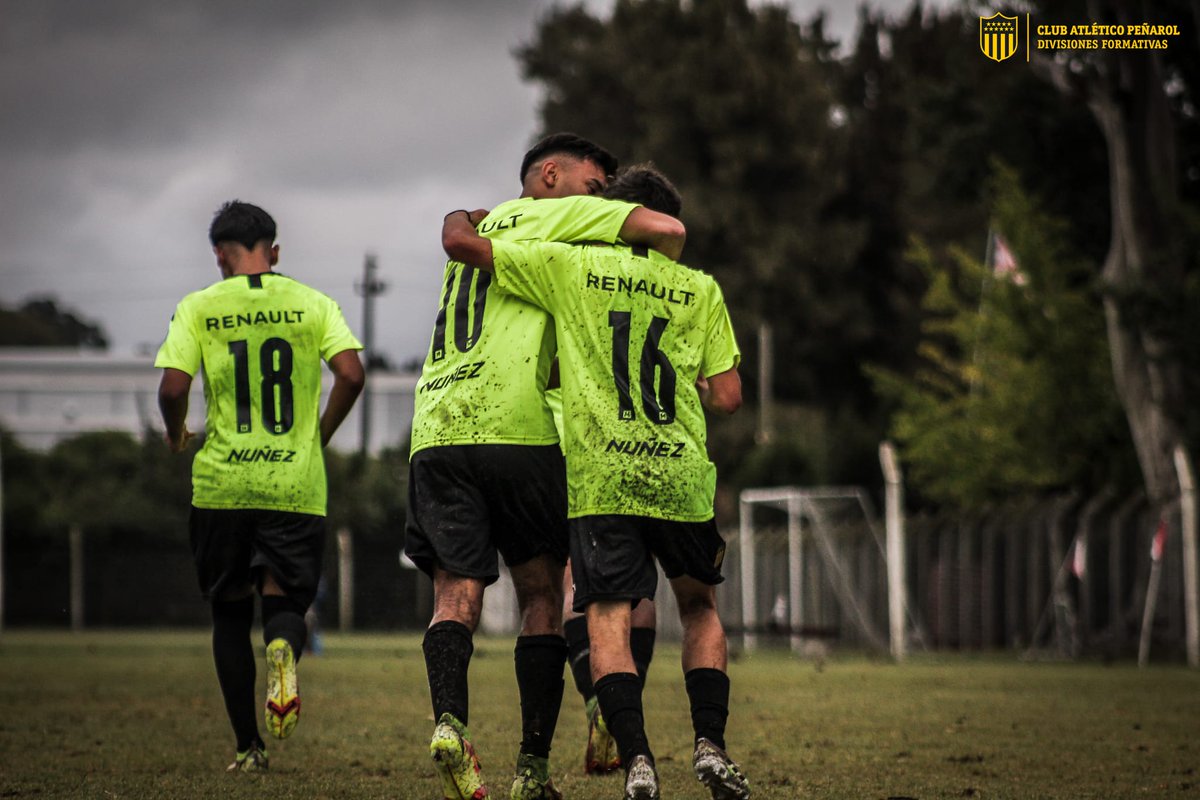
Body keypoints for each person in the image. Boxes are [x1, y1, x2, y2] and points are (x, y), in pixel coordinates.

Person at [441, 164, 751, 800]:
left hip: (603, 478)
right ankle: (710, 745)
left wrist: (466, 216)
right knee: (698, 609)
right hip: (679, 474)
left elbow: (479, 260)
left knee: (605, 615)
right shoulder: (701, 290)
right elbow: (728, 398)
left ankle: (637, 759)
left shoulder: (570, 268)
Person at [405, 134, 685, 800]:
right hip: (520, 426)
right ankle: (531, 770)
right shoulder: (563, 215)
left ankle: (448, 722)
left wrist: (455, 214)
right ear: (552, 175)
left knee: (454, 596)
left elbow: (458, 236)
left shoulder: (481, 224)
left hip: (437, 427)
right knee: (543, 594)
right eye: (595, 184)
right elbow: (664, 226)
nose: (602, 197)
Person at [156, 200, 364, 772]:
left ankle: (249, 747)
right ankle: (282, 651)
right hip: (294, 483)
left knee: (228, 614)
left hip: (223, 484)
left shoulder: (198, 307)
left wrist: (177, 436)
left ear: (219, 255)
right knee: (284, 601)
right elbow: (351, 374)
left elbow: (173, 390)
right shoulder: (313, 302)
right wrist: (316, 435)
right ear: (274, 252)